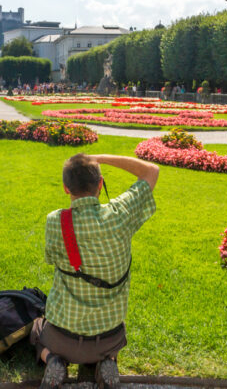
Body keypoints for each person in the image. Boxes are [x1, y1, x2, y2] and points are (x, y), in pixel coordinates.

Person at [32, 153, 159, 389]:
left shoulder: (56, 221)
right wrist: (100, 158)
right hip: (109, 339)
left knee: (36, 328)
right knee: (112, 336)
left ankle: (53, 360)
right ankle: (108, 361)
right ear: (100, 183)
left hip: (62, 339)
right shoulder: (120, 214)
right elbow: (151, 171)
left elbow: (51, 259)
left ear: (66, 188)